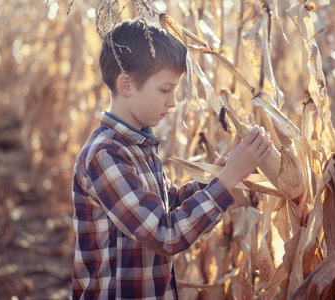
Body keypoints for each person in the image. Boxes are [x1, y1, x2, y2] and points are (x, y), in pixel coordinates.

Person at [71, 19, 272, 299]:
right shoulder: (105, 155)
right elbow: (165, 235)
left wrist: (217, 177)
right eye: (166, 90)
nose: (173, 101)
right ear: (126, 85)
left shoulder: (139, 144)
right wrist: (225, 182)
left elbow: (167, 205)